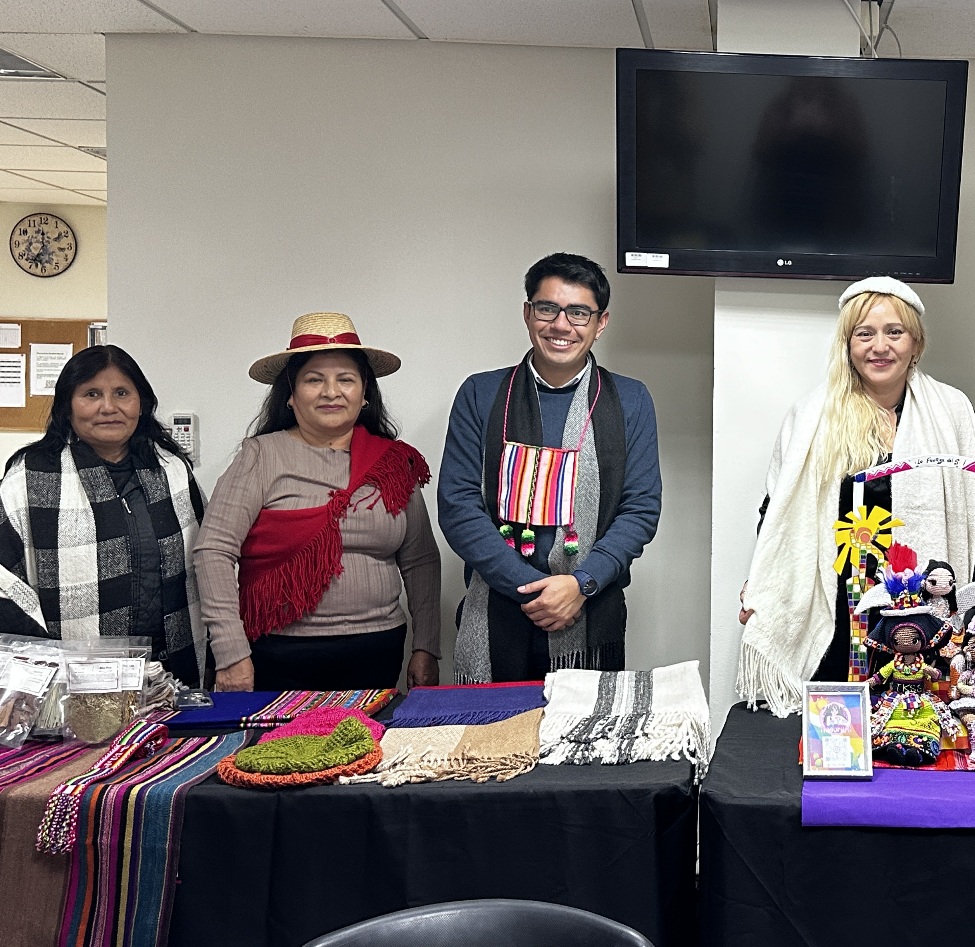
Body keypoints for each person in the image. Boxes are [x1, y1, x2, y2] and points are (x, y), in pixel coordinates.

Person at [737, 276, 975, 712]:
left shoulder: (954, 412)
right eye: (864, 334)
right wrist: (761, 582)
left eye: (894, 332)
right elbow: (777, 512)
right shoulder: (812, 416)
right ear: (848, 343)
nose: (880, 347)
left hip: (926, 597)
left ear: (916, 343)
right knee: (839, 723)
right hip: (837, 600)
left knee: (917, 713)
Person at [439, 253, 661, 682]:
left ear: (600, 322)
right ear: (528, 313)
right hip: (496, 610)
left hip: (591, 608)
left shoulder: (630, 400)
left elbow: (641, 509)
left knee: (582, 726)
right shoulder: (482, 394)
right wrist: (531, 589)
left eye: (579, 312)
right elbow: (458, 506)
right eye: (548, 309)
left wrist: (581, 584)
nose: (562, 325)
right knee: (494, 726)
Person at [194, 312, 440, 692]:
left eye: (346, 379)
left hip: (377, 650)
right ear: (291, 395)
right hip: (276, 654)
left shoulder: (393, 462)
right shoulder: (260, 456)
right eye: (314, 379)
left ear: (365, 393)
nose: (331, 392)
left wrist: (426, 647)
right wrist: (230, 653)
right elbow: (213, 550)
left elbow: (420, 560)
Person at [0, 345, 206, 687]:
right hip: (71, 674)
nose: (108, 407)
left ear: (141, 403)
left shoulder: (171, 470)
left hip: (171, 663)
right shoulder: (30, 478)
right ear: (67, 405)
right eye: (91, 394)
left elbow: (204, 560)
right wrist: (37, 668)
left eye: (122, 393)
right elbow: (6, 583)